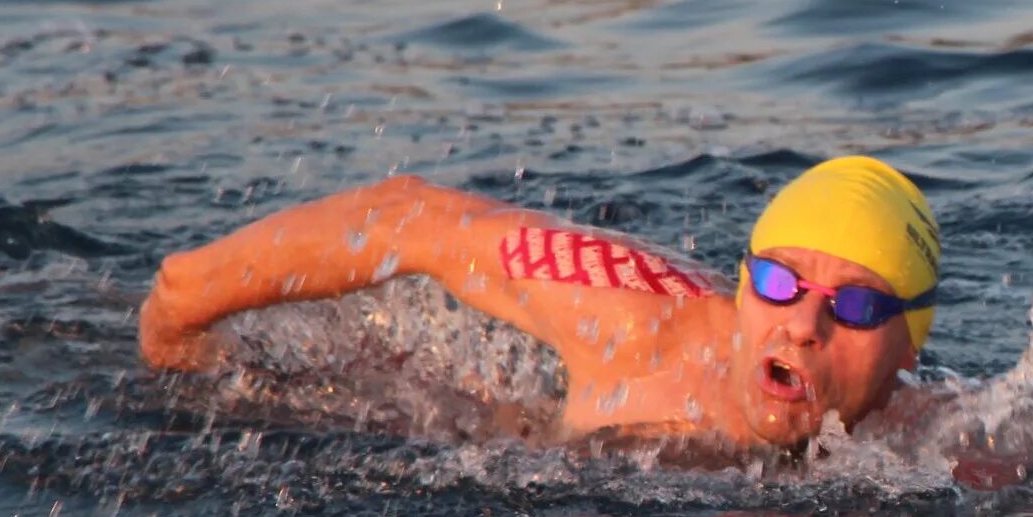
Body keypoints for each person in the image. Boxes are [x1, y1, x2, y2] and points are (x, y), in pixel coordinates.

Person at [139, 156, 941, 449]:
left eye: (858, 308)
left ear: (909, 345)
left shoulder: (946, 447)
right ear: (743, 286)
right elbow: (409, 217)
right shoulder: (631, 318)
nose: (802, 325)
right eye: (777, 283)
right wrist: (180, 309)